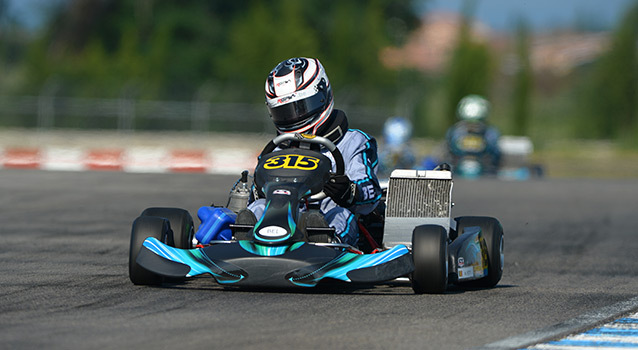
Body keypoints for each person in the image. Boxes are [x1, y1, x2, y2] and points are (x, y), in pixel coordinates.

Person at [238, 57, 381, 247]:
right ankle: (243, 241)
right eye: (285, 112)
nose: (293, 118)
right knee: (257, 207)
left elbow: (371, 191)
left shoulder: (354, 142)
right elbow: (256, 195)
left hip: (329, 219)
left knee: (340, 214)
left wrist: (348, 191)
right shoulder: (277, 148)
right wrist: (258, 191)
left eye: (300, 108)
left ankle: (327, 240)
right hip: (283, 216)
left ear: (322, 95)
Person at [445, 94, 501, 174]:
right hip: (458, 170)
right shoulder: (455, 131)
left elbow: (495, 155)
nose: (473, 128)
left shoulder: (490, 133)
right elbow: (448, 153)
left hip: (485, 171)